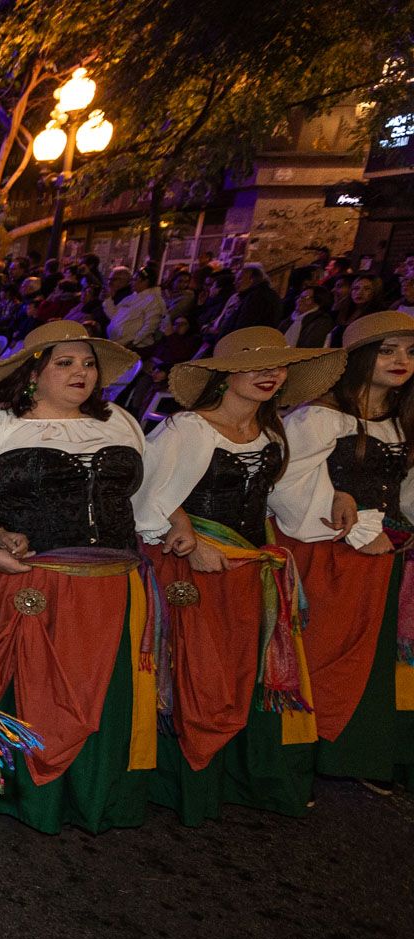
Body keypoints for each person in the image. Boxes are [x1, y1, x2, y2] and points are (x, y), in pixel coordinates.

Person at [0, 320, 151, 835]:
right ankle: (25, 798)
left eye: (87, 363)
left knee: (102, 692)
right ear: (34, 374)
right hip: (31, 579)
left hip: (111, 582)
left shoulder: (120, 420)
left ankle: (93, 794)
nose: (81, 372)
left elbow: (140, 499)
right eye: (65, 362)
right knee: (33, 691)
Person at [133, 328, 346, 825]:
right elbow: (145, 493)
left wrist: (341, 495)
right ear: (224, 374)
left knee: (241, 670)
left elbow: (282, 497)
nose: (269, 374)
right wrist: (186, 532)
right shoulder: (187, 428)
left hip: (249, 564)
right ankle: (185, 786)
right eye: (256, 365)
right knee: (195, 672)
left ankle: (241, 779)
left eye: (278, 366)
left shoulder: (272, 431)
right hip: (192, 563)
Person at [269, 312, 414, 791]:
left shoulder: (400, 417)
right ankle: (302, 758)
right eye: (388, 349)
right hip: (328, 550)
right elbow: (286, 484)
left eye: (410, 352)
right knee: (326, 654)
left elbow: (402, 485)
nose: (402, 361)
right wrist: (346, 515)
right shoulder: (319, 415)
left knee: (371, 656)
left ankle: (357, 756)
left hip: (382, 555)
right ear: (357, 358)